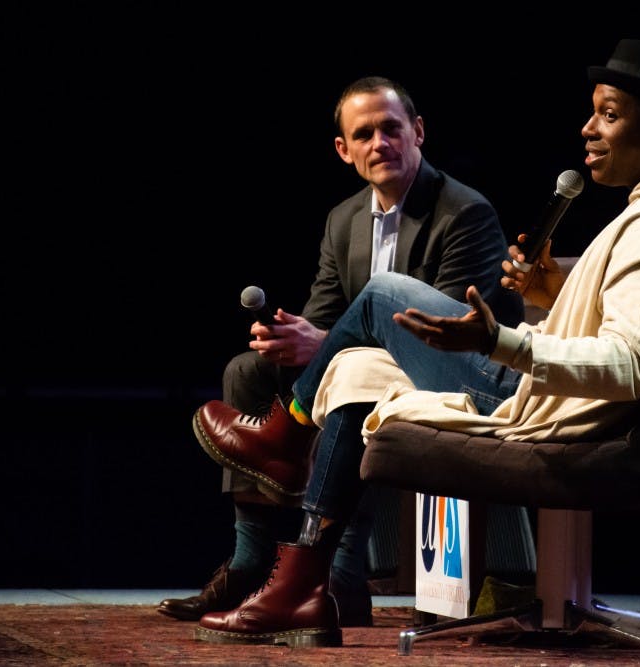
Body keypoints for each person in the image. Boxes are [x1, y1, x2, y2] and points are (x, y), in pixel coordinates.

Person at [188, 38, 640, 647]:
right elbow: (634, 318)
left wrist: (502, 342)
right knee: (356, 369)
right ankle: (306, 585)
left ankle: (288, 436)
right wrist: (552, 293)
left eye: (610, 115)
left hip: (550, 409)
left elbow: (627, 364)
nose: (587, 128)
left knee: (385, 295)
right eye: (594, 110)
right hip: (557, 393)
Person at [157, 75, 523, 627]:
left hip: (447, 372)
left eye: (392, 129)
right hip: (361, 362)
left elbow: (446, 334)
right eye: (365, 133)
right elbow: (326, 314)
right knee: (248, 370)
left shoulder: (465, 212)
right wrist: (292, 337)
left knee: (353, 369)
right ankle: (251, 563)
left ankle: (342, 573)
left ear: (418, 132)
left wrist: (325, 343)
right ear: (344, 150)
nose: (380, 142)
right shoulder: (343, 218)